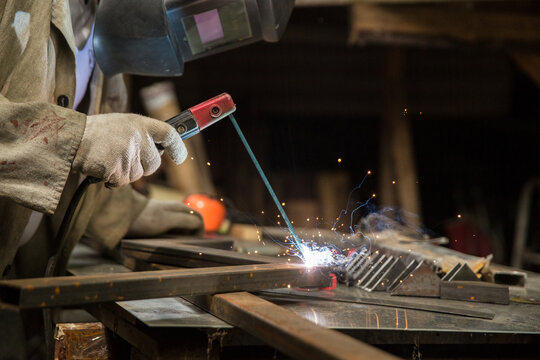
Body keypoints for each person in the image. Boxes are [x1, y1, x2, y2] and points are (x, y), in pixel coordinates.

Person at [0, 0, 204, 280]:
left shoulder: (103, 20)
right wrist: (79, 138)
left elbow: (77, 165)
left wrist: (124, 213)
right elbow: (82, 140)